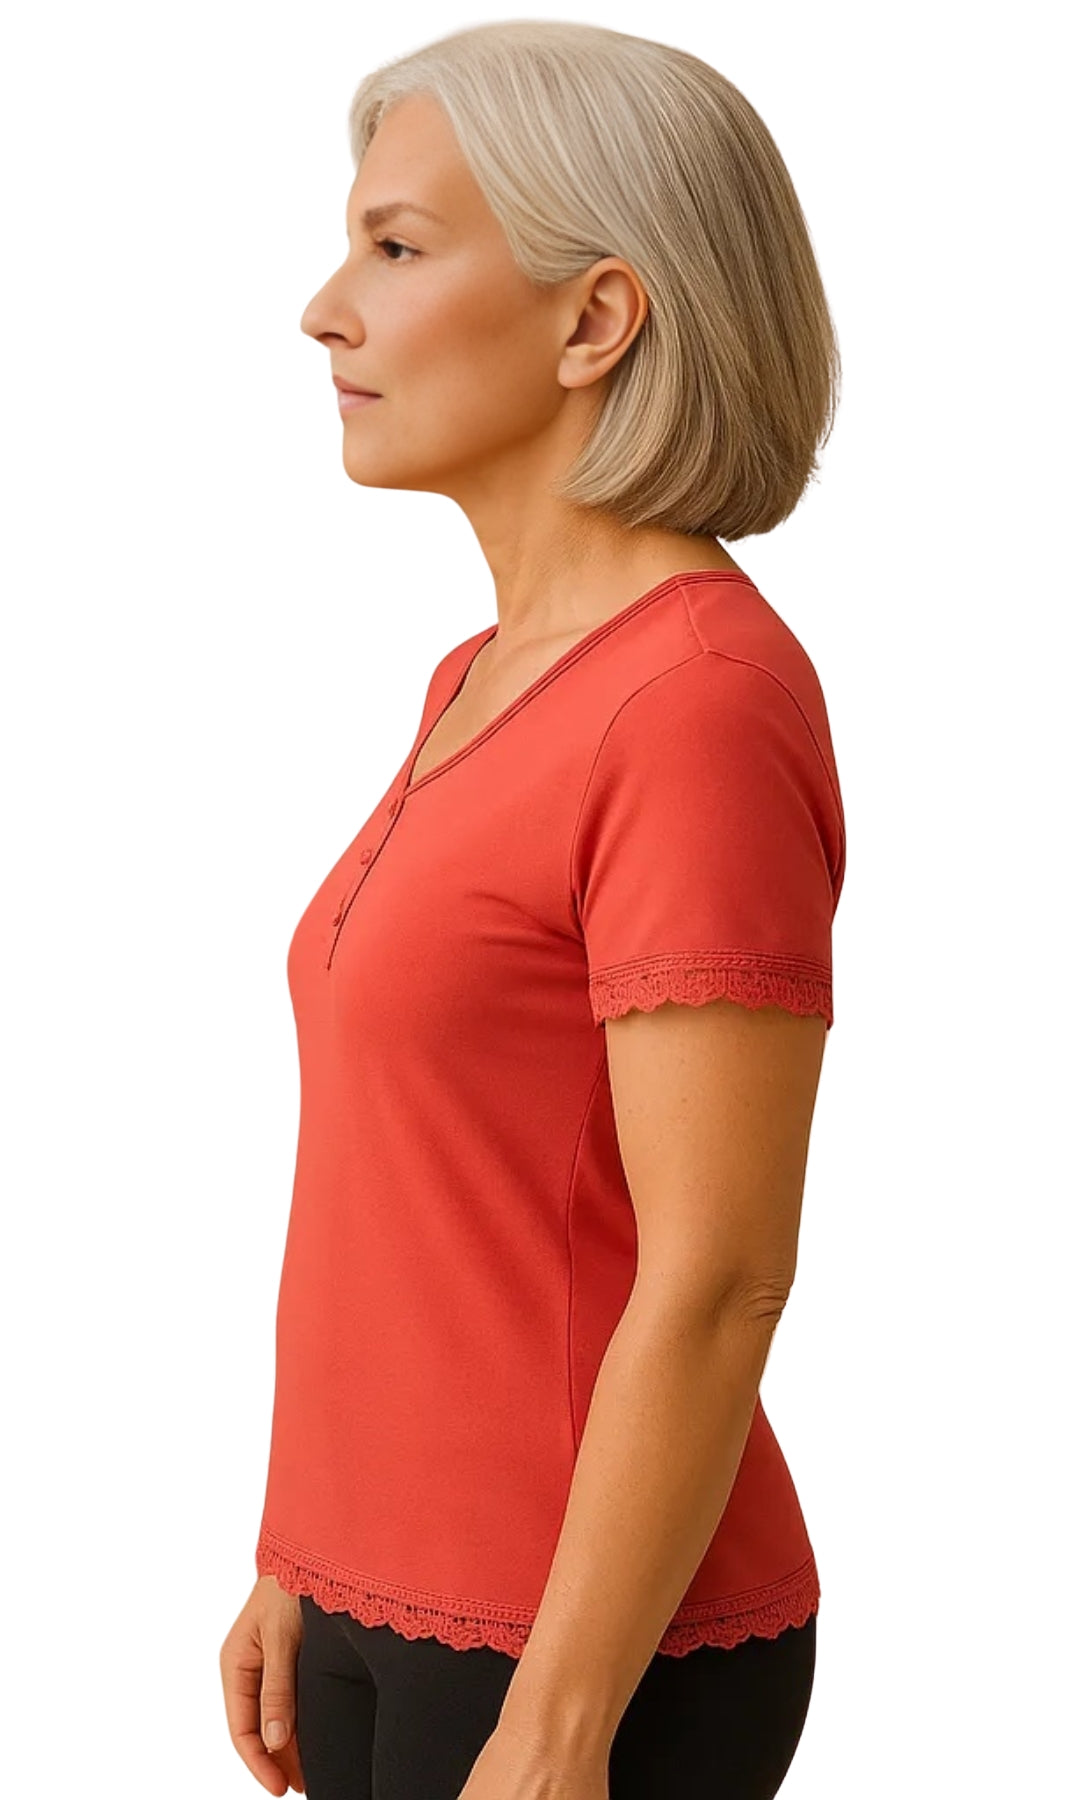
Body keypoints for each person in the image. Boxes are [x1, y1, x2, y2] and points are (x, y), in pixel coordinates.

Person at [218, 20, 846, 1800]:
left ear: (595, 321)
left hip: (576, 1652)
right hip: (378, 1598)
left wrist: (562, 1726)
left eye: (396, 248)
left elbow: (720, 1274)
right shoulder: (478, 677)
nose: (326, 309)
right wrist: (299, 1545)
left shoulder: (697, 700)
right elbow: (411, 1178)